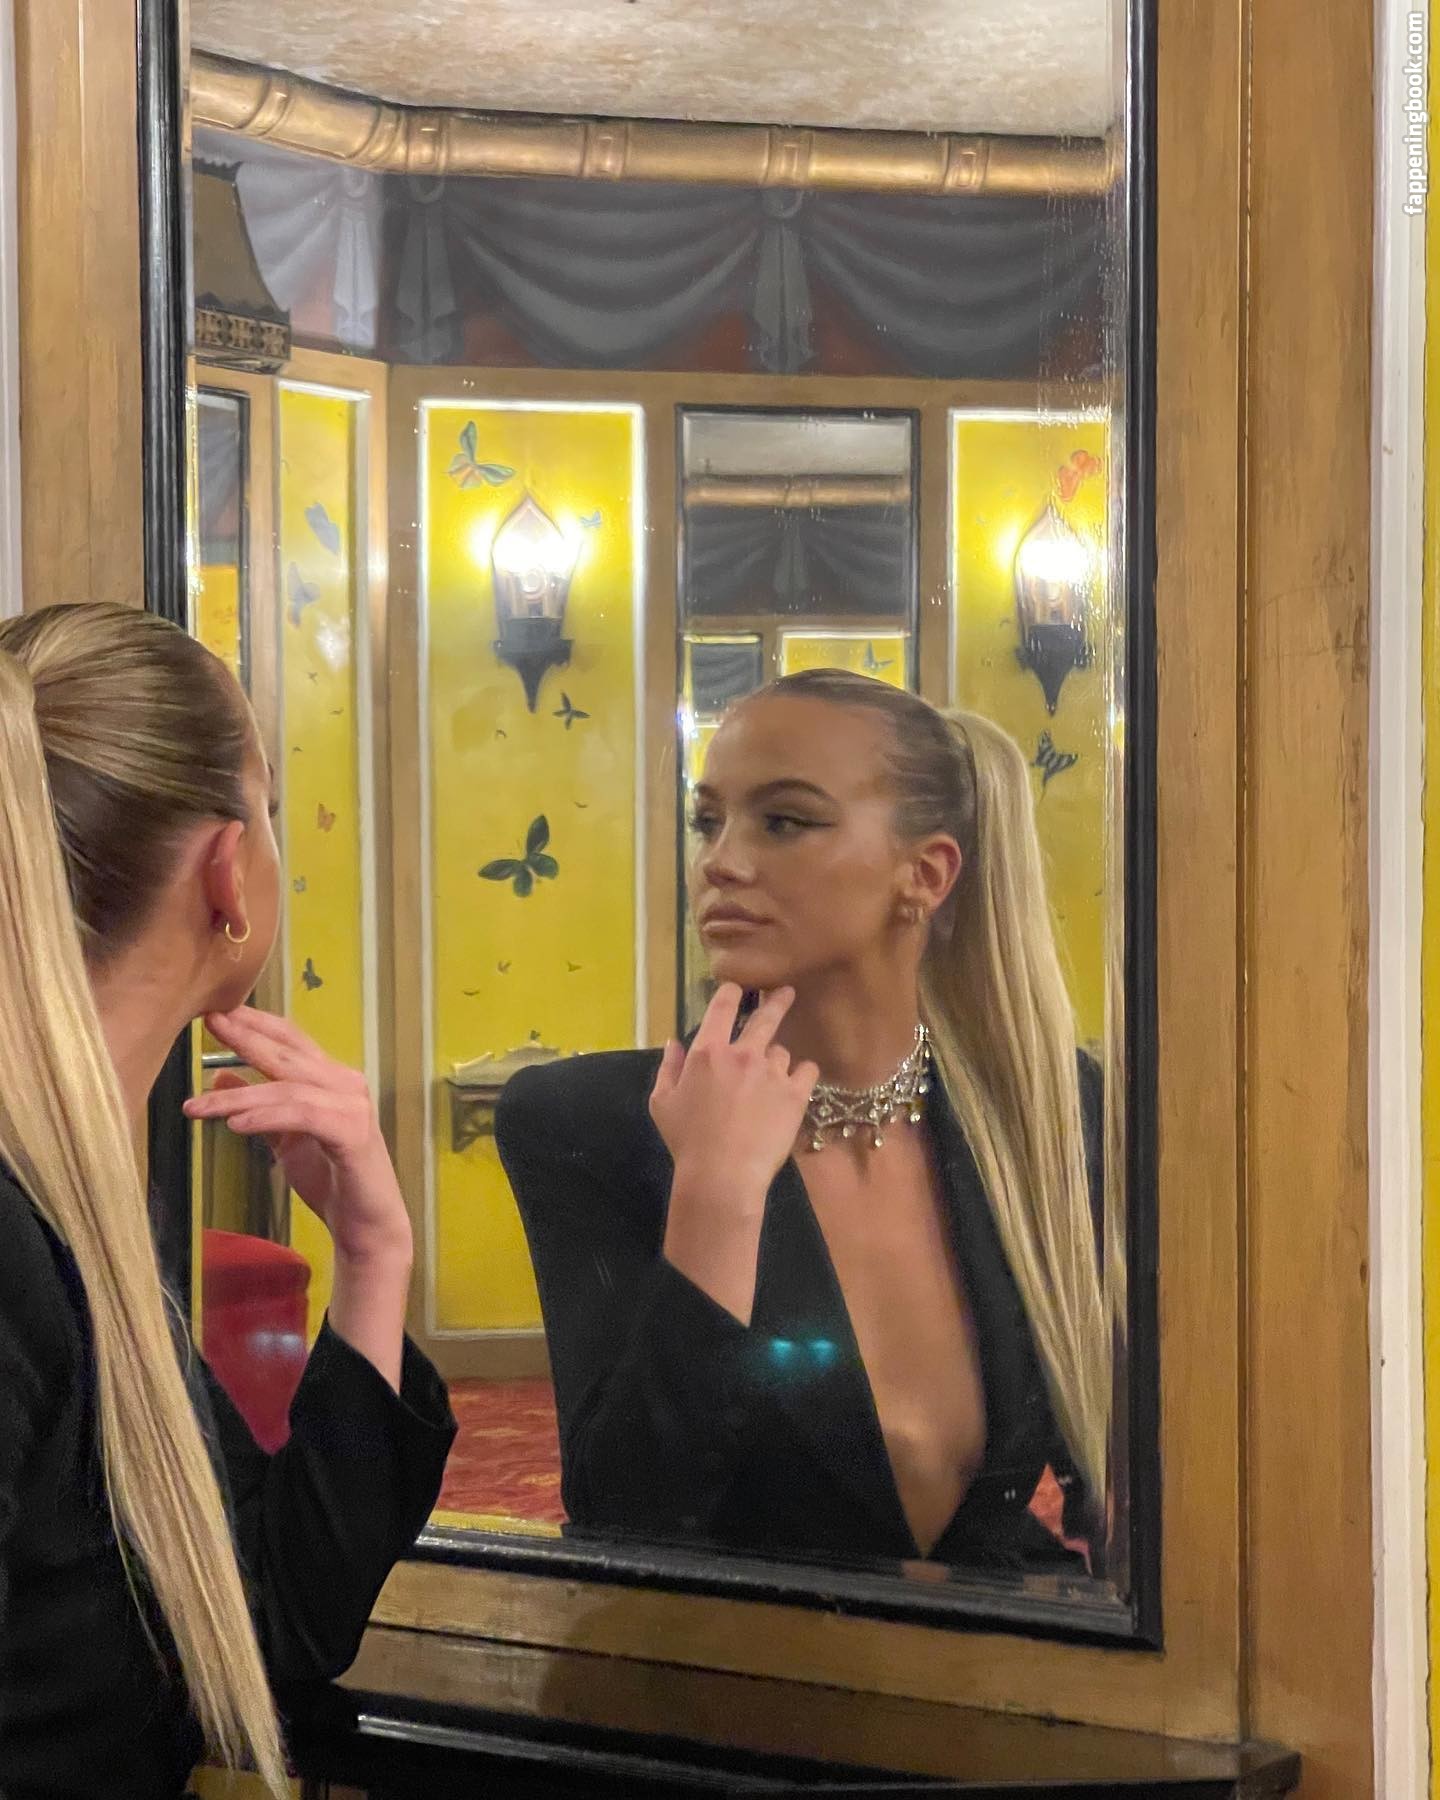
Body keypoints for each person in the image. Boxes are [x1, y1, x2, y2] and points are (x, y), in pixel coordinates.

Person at [497, 668, 1117, 1574]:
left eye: (784, 821)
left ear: (926, 874)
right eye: (709, 821)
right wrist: (715, 1198)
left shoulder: (1045, 1110)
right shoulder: (588, 1122)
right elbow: (629, 1522)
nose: (720, 862)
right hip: (734, 1658)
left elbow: (1114, 1470)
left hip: (995, 1645)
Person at [0, 604, 457, 1800]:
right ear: (227, 873)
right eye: (271, 803)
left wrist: (373, 1256)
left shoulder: (77, 1209)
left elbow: (269, 1619)